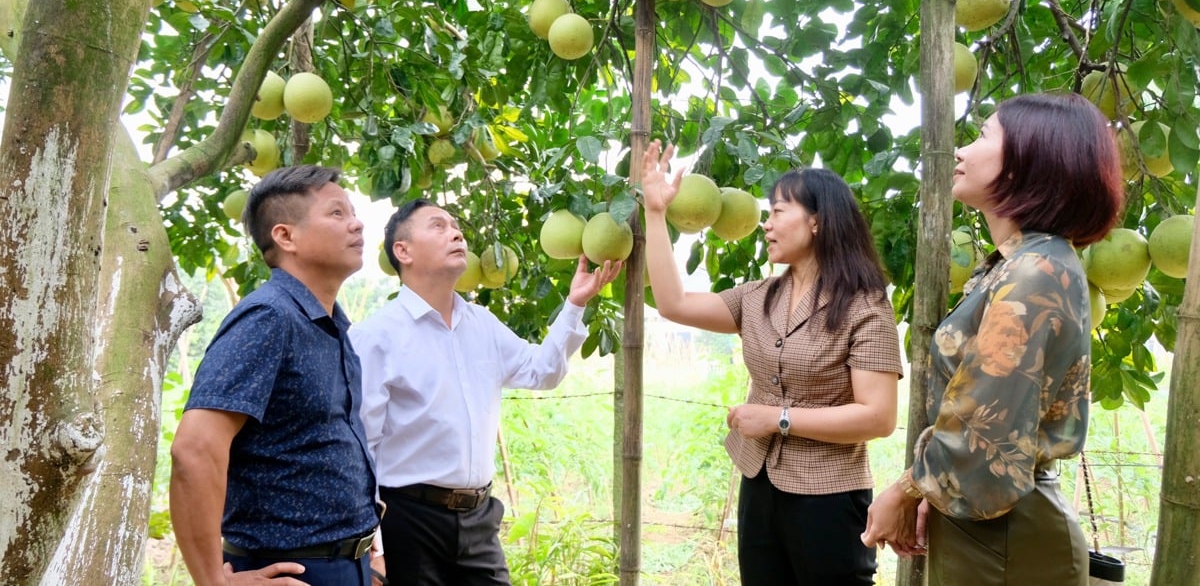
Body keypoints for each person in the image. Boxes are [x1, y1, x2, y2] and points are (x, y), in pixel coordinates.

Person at [861, 93, 1125, 585]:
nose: (961, 151)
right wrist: (931, 491)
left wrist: (906, 489)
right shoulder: (1017, 263)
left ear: (1030, 158)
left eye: (983, 135)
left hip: (1004, 538)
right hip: (985, 526)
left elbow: (985, 431)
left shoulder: (1035, 271)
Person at [641, 141, 904, 585]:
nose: (766, 223)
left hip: (829, 495)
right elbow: (673, 302)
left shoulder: (865, 307)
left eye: (779, 211)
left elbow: (878, 417)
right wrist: (654, 211)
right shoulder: (759, 297)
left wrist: (778, 419)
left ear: (817, 221)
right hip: (759, 483)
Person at [351, 199, 622, 585]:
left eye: (456, 225)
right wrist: (374, 547)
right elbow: (362, 447)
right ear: (402, 250)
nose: (456, 233)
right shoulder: (376, 337)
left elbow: (540, 371)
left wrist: (575, 304)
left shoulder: (482, 324)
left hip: (478, 517)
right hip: (408, 520)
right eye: (438, 226)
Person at [170, 166, 385, 586]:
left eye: (354, 212)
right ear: (286, 237)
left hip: (348, 564)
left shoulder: (332, 327)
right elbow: (194, 450)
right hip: (291, 570)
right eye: (337, 213)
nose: (356, 223)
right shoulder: (270, 318)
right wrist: (214, 581)